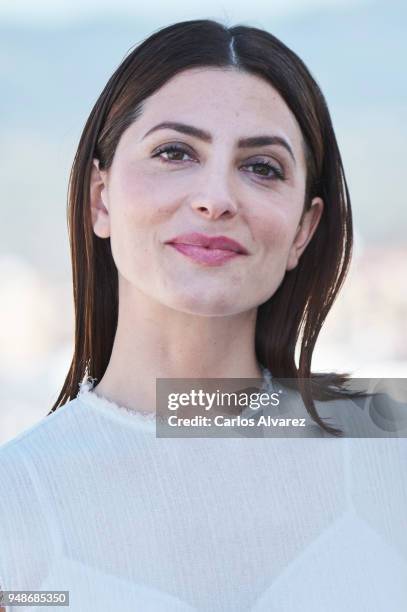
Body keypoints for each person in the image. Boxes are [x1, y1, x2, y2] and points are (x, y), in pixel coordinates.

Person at [0, 19, 406, 612]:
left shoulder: (388, 453)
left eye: (262, 167)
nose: (215, 197)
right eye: (174, 152)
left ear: (304, 230)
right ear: (100, 197)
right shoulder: (15, 504)